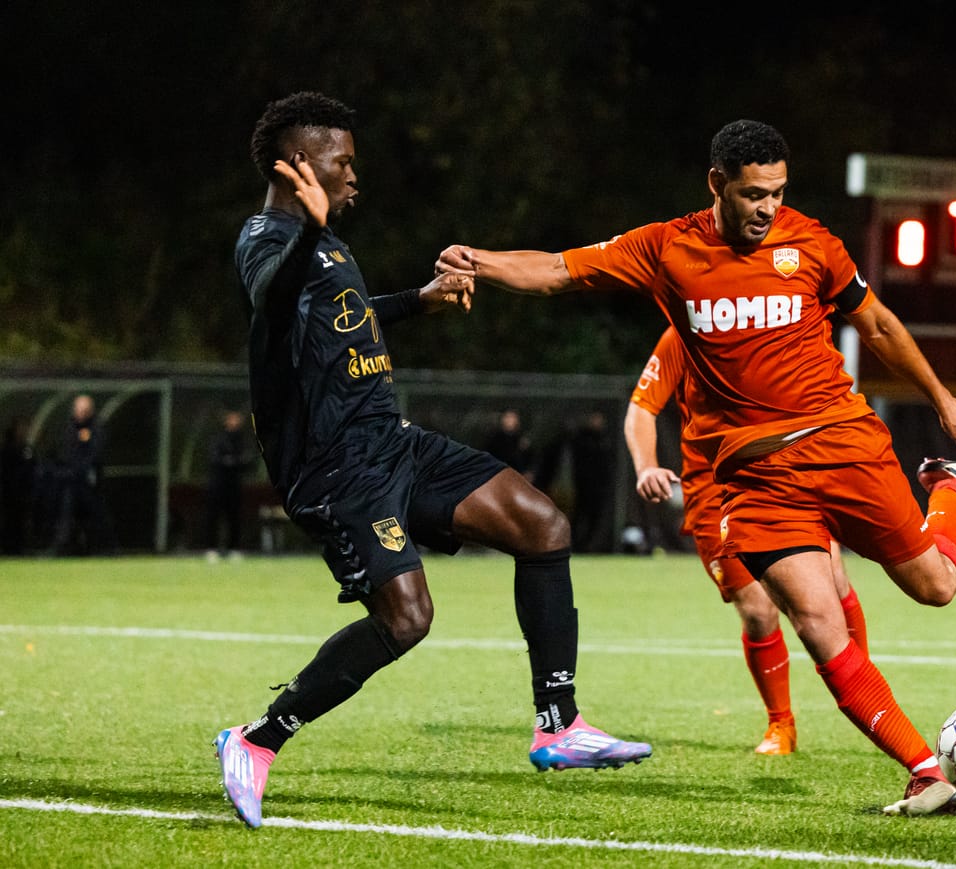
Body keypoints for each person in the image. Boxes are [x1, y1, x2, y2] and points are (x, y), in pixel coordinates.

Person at [438, 119, 956, 817]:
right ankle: (925, 772)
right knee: (814, 620)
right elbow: (559, 269)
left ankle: (950, 488)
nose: (767, 208)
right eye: (752, 194)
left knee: (936, 585)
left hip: (841, 441)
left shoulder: (813, 243)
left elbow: (879, 326)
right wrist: (481, 261)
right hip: (757, 479)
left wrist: (942, 395)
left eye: (776, 192)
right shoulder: (667, 248)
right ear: (717, 184)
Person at [217, 92, 650, 830]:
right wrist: (310, 226)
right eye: (341, 161)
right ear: (298, 165)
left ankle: (559, 724)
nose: (354, 175)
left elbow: (343, 315)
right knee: (407, 618)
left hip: (392, 441)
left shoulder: (322, 245)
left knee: (542, 523)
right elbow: (273, 296)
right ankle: (258, 738)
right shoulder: (267, 239)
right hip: (333, 468)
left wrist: (421, 299)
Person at [625, 327, 868, 755]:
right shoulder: (687, 329)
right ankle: (781, 725)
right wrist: (646, 466)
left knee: (834, 579)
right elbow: (641, 409)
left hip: (784, 479)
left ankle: (867, 695)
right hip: (714, 495)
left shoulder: (780, 317)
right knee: (758, 610)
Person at [51, 394, 116, 555]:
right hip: (72, 483)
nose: (81, 413)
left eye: (85, 410)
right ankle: (62, 549)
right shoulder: (69, 429)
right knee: (66, 517)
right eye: (79, 410)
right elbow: (65, 454)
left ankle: (105, 548)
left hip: (90, 484)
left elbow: (95, 454)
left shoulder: (96, 429)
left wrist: (84, 470)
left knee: (97, 517)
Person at [204, 410, 255, 561]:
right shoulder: (218, 439)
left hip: (235, 486)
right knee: (214, 517)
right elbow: (215, 460)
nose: (234, 422)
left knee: (234, 517)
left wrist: (233, 462)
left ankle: (234, 548)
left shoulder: (243, 441)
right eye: (231, 419)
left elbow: (248, 461)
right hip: (217, 485)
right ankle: (212, 548)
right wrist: (232, 462)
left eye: (237, 419)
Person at [567, 410, 616, 553]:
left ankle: (587, 546)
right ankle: (575, 545)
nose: (597, 422)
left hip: (599, 487)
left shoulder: (605, 439)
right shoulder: (581, 439)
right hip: (583, 486)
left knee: (595, 518)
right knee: (579, 516)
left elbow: (607, 464)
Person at [1, 416, 38, 555]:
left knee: (20, 520)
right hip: (11, 490)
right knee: (11, 520)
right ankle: (10, 548)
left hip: (23, 490)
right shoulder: (9, 448)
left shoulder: (26, 448)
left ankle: (18, 547)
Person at [483, 409, 535, 481]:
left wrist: (528, 472)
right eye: (507, 417)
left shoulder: (522, 439)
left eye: (513, 418)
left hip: (518, 478)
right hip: (498, 476)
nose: (510, 421)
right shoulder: (494, 439)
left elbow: (530, 459)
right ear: (502, 420)